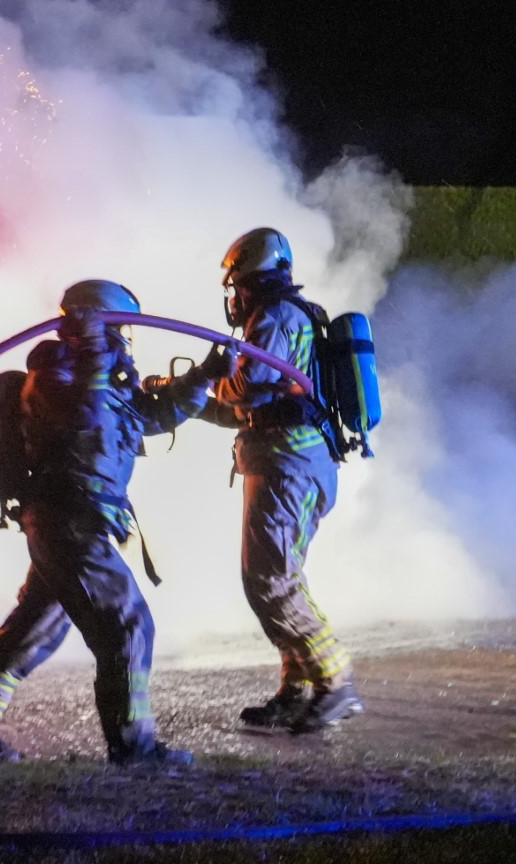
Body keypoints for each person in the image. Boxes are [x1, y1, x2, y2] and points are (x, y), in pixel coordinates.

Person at [0, 279, 234, 765]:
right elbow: (84, 419)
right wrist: (94, 350)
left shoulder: (103, 376)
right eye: (125, 331)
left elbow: (152, 415)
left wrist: (204, 376)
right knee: (127, 624)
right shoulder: (53, 373)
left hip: (77, 521)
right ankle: (134, 749)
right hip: (68, 518)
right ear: (107, 325)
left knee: (36, 626)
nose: (130, 342)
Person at [207, 228, 363, 734]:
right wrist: (184, 400)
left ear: (250, 278)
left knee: (270, 581)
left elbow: (247, 387)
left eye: (236, 285)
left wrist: (206, 377)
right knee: (279, 578)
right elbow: (253, 405)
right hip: (292, 465)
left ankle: (334, 684)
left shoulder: (273, 317)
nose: (234, 297)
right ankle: (295, 689)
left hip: (287, 468)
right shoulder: (289, 315)